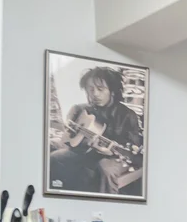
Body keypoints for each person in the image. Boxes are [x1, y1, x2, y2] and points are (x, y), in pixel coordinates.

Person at [48, 66, 144, 194]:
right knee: (54, 157)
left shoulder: (128, 115)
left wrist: (108, 151)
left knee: (105, 168)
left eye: (100, 89)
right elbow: (70, 127)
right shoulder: (83, 109)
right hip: (87, 152)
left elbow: (133, 147)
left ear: (112, 91)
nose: (95, 94)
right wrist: (71, 125)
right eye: (91, 89)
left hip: (117, 156)